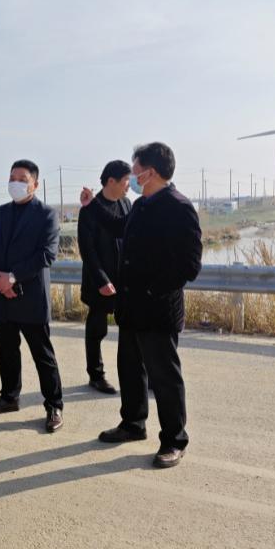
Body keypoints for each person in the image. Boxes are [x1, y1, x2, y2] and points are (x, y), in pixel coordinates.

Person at [81, 142, 202, 468]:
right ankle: (133, 423)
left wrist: (151, 291)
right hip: (131, 308)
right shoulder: (141, 205)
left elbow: (189, 266)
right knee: (130, 370)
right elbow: (117, 227)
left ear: (150, 172)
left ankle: (174, 440)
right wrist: (91, 206)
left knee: (164, 377)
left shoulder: (178, 207)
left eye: (135, 170)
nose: (131, 177)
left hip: (158, 310)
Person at [0, 160, 64, 432]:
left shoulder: (46, 214)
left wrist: (13, 277)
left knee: (42, 354)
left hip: (31, 296)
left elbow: (47, 254)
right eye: (12, 177)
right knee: (6, 351)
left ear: (34, 184)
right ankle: (9, 397)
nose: (15, 183)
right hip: (2, 295)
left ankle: (54, 405)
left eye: (22, 179)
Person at [77, 160, 132, 394]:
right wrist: (101, 280)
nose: (129, 185)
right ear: (111, 181)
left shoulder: (126, 204)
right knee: (97, 329)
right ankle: (96, 375)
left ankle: (138, 374)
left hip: (124, 281)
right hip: (99, 281)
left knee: (131, 329)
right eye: (126, 180)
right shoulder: (90, 209)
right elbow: (87, 249)